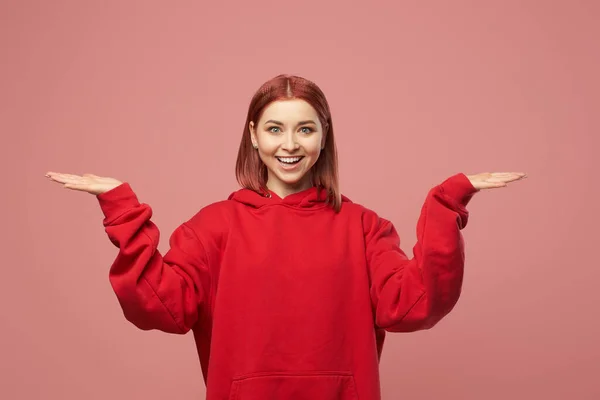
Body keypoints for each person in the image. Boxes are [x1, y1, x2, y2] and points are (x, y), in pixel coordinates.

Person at [46, 74, 526, 400]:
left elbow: (414, 304)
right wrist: (122, 210)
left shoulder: (362, 226)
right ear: (253, 135)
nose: (290, 145)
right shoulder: (215, 226)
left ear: (324, 136)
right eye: (275, 129)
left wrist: (444, 206)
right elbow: (164, 307)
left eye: (305, 129)